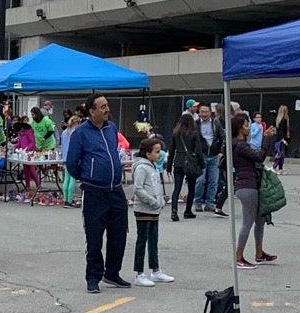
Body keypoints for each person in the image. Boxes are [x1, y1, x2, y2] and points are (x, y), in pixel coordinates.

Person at [65, 96, 129, 292]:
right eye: (102, 107)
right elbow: (71, 163)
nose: (106, 109)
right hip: (94, 191)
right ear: (91, 111)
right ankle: (93, 277)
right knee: (94, 237)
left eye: (107, 106)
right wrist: (88, 176)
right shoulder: (81, 133)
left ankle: (112, 272)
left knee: (119, 234)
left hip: (115, 189)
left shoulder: (111, 128)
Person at [230, 110, 276, 266]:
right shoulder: (240, 145)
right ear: (239, 128)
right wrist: (266, 139)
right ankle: (238, 256)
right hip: (246, 184)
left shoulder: (238, 144)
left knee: (260, 219)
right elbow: (259, 157)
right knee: (248, 222)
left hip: (249, 183)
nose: (248, 127)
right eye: (246, 125)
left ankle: (259, 252)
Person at [130, 136, 173, 286]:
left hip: (154, 210)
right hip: (143, 209)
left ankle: (155, 270)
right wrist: (153, 201)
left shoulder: (152, 166)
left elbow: (155, 186)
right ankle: (139, 273)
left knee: (153, 240)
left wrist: (160, 201)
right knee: (142, 240)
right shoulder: (142, 167)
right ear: (148, 153)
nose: (159, 154)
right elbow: (138, 189)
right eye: (156, 152)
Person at [168, 112, 203, 221]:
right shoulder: (194, 133)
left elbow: (171, 151)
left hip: (178, 161)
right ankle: (188, 211)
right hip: (190, 162)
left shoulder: (175, 133)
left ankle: (174, 211)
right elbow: (198, 150)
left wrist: (169, 166)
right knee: (191, 188)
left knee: (177, 188)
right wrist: (202, 164)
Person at [196, 104, 225, 216]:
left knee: (214, 180)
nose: (203, 114)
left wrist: (221, 150)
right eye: (201, 112)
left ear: (210, 112)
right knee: (201, 180)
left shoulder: (215, 123)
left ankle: (210, 202)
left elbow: (222, 136)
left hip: (214, 154)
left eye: (206, 112)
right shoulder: (196, 124)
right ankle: (198, 201)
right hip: (201, 155)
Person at [271, 103, 292, 170]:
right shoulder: (284, 120)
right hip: (282, 138)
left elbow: (275, 129)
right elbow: (282, 130)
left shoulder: (277, 120)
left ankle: (280, 168)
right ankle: (275, 166)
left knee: (280, 153)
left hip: (278, 138)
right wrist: (283, 138)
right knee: (280, 153)